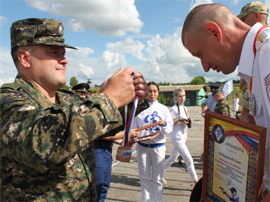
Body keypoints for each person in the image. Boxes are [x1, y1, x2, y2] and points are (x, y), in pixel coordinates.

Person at [0, 18, 148, 201]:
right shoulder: (8, 101)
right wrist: (109, 99)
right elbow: (41, 143)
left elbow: (101, 128)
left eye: (63, 53)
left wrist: (131, 102)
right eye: (54, 52)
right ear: (25, 58)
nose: (64, 60)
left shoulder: (68, 99)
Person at [181, 3, 270, 201]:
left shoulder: (267, 54)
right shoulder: (257, 59)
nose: (204, 67)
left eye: (200, 54)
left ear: (214, 32)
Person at [94, 80, 148, 202]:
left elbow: (111, 133)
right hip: (97, 152)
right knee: (97, 187)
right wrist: (124, 135)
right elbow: (98, 134)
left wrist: (126, 140)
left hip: (106, 151)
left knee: (104, 187)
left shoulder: (109, 109)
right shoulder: (95, 110)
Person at [132, 81, 174, 202]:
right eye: (149, 91)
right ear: (145, 93)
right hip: (142, 147)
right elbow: (133, 128)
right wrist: (133, 135)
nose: (152, 93)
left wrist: (164, 124)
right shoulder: (138, 109)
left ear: (158, 92)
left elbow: (169, 129)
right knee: (144, 178)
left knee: (158, 179)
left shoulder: (163, 109)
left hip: (158, 146)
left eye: (154, 91)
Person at [237, 1, 268, 123]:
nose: (242, 24)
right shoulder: (254, 44)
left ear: (257, 16)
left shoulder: (263, 44)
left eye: (244, 19)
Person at [163, 86, 198, 184]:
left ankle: (158, 174)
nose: (182, 98)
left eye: (183, 96)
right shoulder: (173, 109)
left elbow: (185, 120)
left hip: (183, 136)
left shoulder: (185, 108)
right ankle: (196, 181)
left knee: (172, 158)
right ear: (175, 97)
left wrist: (188, 121)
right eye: (180, 96)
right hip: (177, 137)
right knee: (188, 159)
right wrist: (179, 120)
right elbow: (169, 123)